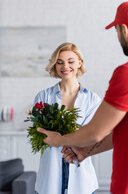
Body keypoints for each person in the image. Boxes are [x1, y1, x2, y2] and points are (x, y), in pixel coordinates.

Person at [37, 0, 128, 193]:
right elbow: (122, 130)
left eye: (117, 32)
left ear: (124, 30)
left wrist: (57, 140)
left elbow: (96, 131)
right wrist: (84, 152)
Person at [34, 42, 101, 194]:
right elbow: (39, 133)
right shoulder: (43, 96)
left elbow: (93, 136)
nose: (65, 67)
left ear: (79, 63)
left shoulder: (92, 99)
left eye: (70, 61)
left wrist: (61, 135)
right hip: (49, 176)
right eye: (60, 62)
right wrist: (75, 134)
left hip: (81, 177)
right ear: (55, 65)